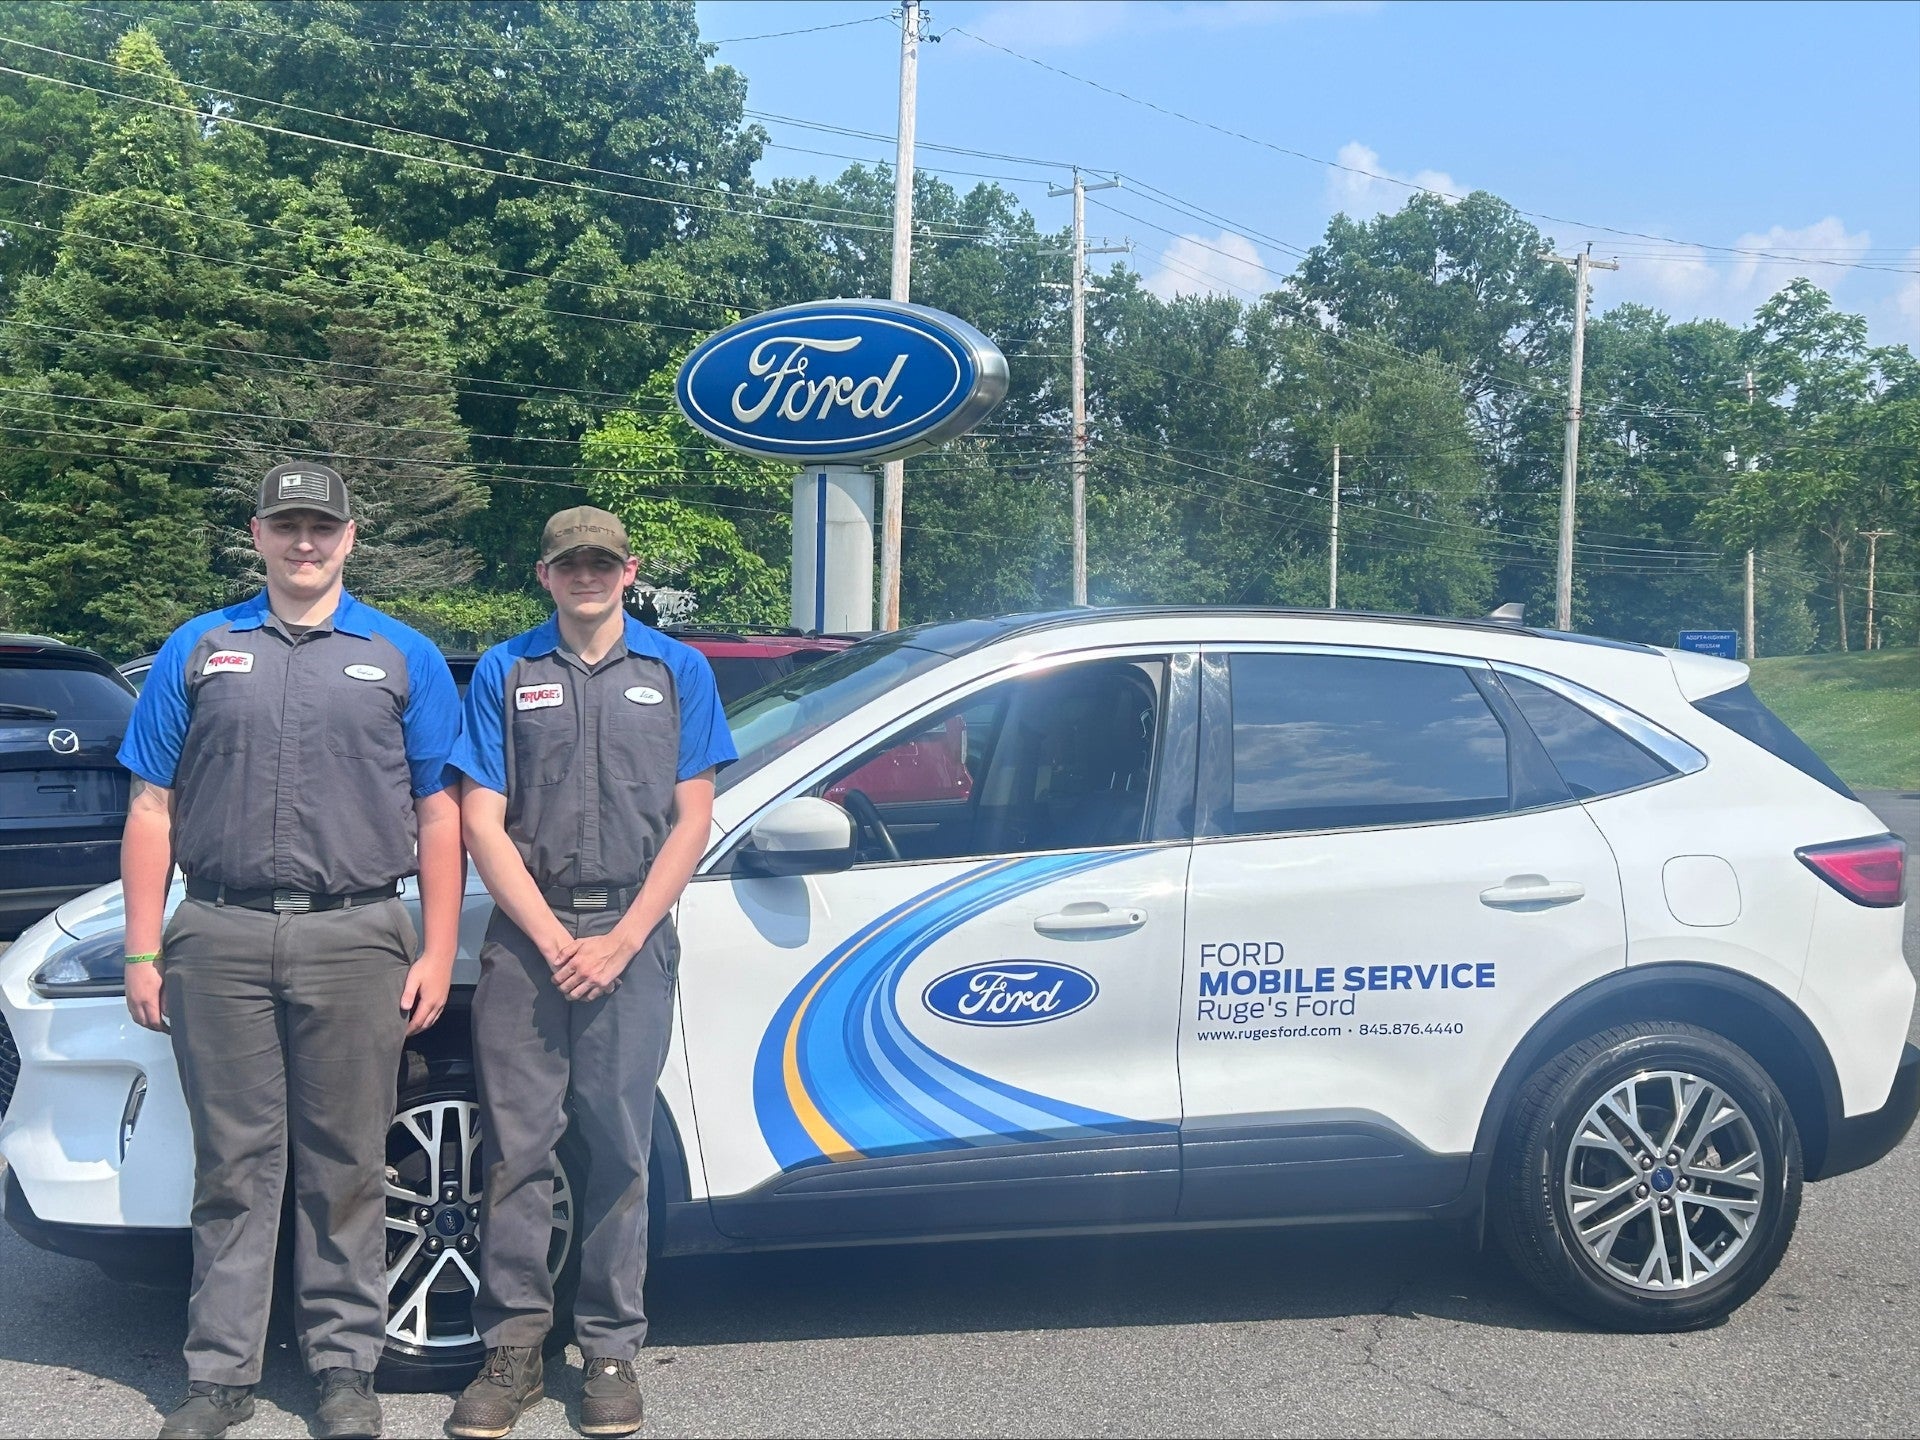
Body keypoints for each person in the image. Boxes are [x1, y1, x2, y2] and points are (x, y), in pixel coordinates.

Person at [118, 462, 464, 1440]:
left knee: (346, 1163)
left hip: (358, 935)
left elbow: (440, 816)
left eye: (321, 527)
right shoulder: (200, 648)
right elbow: (152, 805)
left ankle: (344, 1371)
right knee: (232, 1165)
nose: (304, 543)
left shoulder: (403, 657)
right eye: (286, 526)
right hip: (218, 937)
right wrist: (143, 951)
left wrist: (437, 947)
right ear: (258, 535)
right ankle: (220, 1376)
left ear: (350, 538)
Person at [446, 507, 734, 1439]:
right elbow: (480, 817)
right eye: (570, 562)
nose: (587, 576)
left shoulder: (676, 670)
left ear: (627, 569)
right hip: (528, 941)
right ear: (544, 573)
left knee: (618, 1146)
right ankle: (515, 1349)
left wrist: (618, 938)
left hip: (634, 934)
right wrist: (551, 935)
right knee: (518, 1150)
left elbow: (694, 819)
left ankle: (609, 1348)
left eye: (602, 562)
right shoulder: (506, 670)